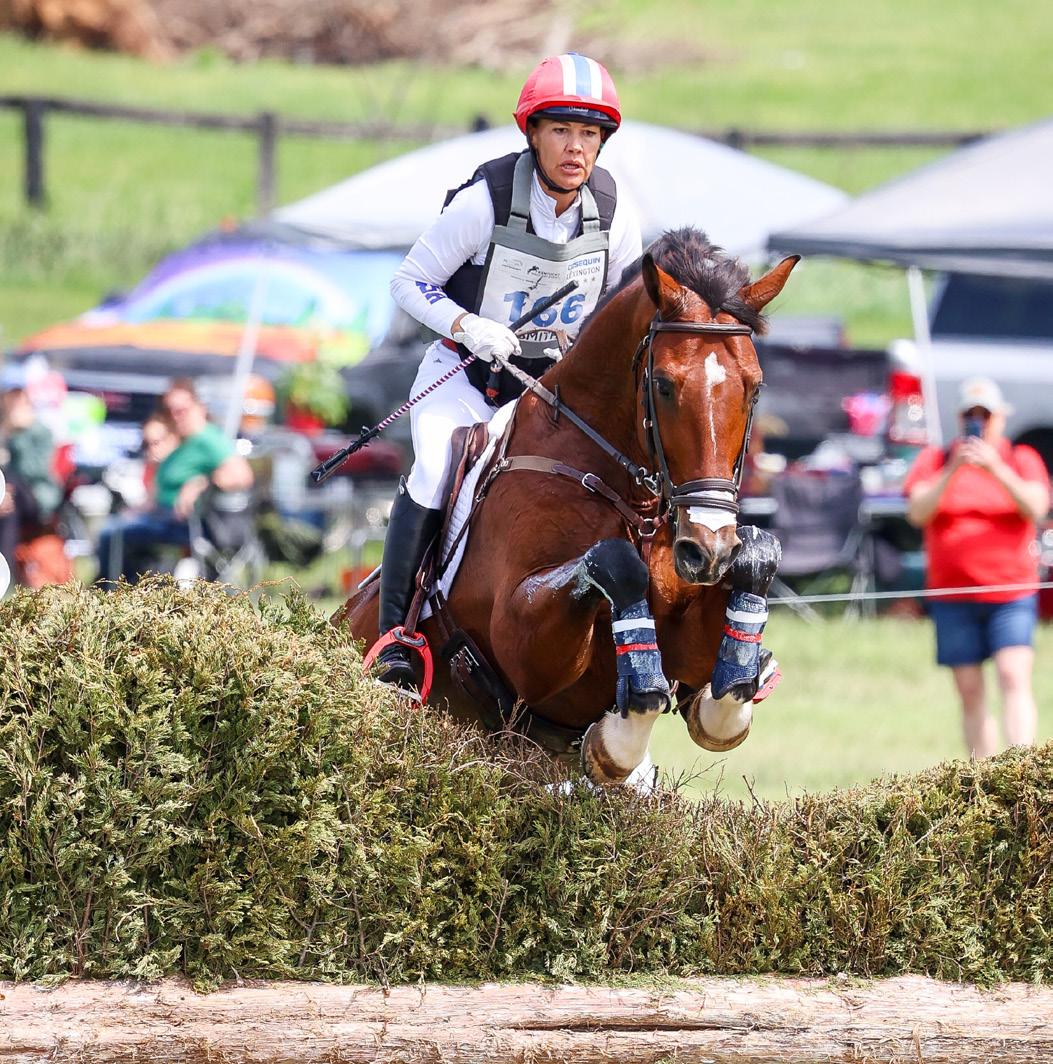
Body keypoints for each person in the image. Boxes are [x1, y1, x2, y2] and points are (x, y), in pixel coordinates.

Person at [376, 53, 643, 690]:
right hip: (469, 379)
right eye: (561, 130)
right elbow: (408, 282)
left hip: (551, 394)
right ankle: (396, 637)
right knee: (436, 469)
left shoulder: (614, 214)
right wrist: (467, 325)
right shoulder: (485, 202)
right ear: (533, 133)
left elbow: (627, 309)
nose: (575, 148)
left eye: (589, 134)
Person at [904, 377, 1050, 759]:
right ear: (959, 418)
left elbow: (1036, 506)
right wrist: (954, 469)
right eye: (971, 414)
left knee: (1013, 675)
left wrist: (995, 468)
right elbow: (917, 511)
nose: (979, 422)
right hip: (953, 596)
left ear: (1001, 418)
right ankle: (982, 773)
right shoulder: (937, 460)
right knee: (969, 690)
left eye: (986, 415)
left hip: (1010, 593)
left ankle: (1020, 766)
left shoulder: (1021, 458)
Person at [96, 379, 254, 584]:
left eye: (181, 409)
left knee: (113, 533)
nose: (175, 415)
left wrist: (201, 483)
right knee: (114, 526)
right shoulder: (184, 441)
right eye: (169, 410)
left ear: (199, 407)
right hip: (162, 516)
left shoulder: (208, 439)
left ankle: (110, 591)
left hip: (186, 525)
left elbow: (242, 476)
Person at [0, 372, 62, 584]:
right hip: (13, 497)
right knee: (9, 508)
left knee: (11, 490)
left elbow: (33, 470)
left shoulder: (40, 432)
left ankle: (6, 575)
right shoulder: (4, 429)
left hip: (37, 496)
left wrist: (17, 436)